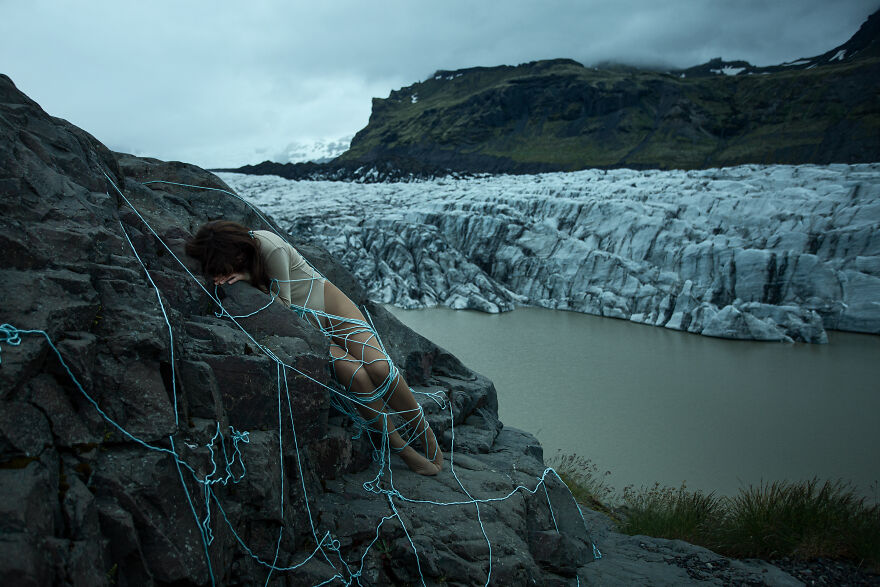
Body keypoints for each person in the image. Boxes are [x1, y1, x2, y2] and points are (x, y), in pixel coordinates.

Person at [186, 220, 443, 476]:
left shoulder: (268, 246)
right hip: (307, 329)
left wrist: (248, 276)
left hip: (326, 305)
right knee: (357, 377)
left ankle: (424, 432)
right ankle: (402, 448)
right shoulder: (235, 256)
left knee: (380, 369)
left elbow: (282, 305)